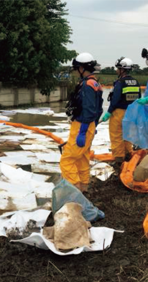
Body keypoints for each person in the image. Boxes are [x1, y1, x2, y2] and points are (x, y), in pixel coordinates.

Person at [61, 52, 103, 193]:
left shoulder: (86, 85)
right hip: (89, 125)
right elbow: (98, 108)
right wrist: (93, 125)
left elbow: (89, 109)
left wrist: (83, 130)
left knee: (67, 160)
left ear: (82, 68)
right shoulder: (95, 83)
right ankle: (84, 188)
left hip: (82, 126)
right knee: (83, 158)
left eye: (77, 68)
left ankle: (74, 192)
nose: (76, 71)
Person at [100, 57, 141, 164]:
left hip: (119, 112)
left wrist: (108, 112)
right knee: (127, 135)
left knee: (116, 135)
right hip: (131, 113)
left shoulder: (120, 82)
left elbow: (115, 99)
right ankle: (128, 154)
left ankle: (118, 159)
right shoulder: (135, 82)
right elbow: (139, 99)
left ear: (122, 69)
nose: (116, 70)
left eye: (118, 68)